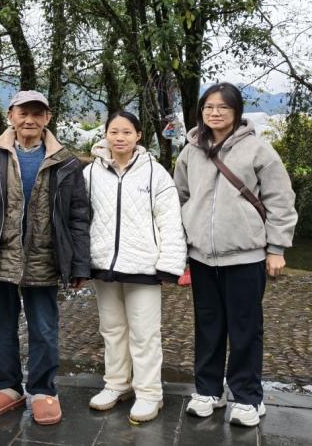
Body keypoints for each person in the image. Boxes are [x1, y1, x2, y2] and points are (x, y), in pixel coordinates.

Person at [0, 90, 91, 426]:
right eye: (23, 113)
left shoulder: (66, 161)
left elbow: (78, 215)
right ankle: (5, 386)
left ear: (47, 118)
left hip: (45, 258)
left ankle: (43, 389)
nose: (29, 120)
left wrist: (79, 264)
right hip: (0, 256)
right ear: (11, 116)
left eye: (37, 113)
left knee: (44, 327)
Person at [174, 83, 297, 427]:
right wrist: (182, 246)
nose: (214, 113)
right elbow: (179, 198)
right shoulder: (190, 152)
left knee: (245, 329)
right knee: (208, 327)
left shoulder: (258, 150)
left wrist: (276, 248)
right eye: (209, 107)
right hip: (202, 256)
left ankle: (247, 398)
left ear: (236, 112)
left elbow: (280, 200)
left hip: (246, 256)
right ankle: (208, 391)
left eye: (222, 107)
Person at [84, 111, 186, 423]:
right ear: (105, 134)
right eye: (114, 131)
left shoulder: (155, 173)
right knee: (112, 329)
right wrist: (79, 260)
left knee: (145, 333)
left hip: (144, 265)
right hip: (104, 263)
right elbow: (79, 217)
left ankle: (149, 393)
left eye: (127, 132)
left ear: (138, 135)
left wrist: (169, 265)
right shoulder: (90, 173)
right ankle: (117, 384)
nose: (120, 138)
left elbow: (170, 220)